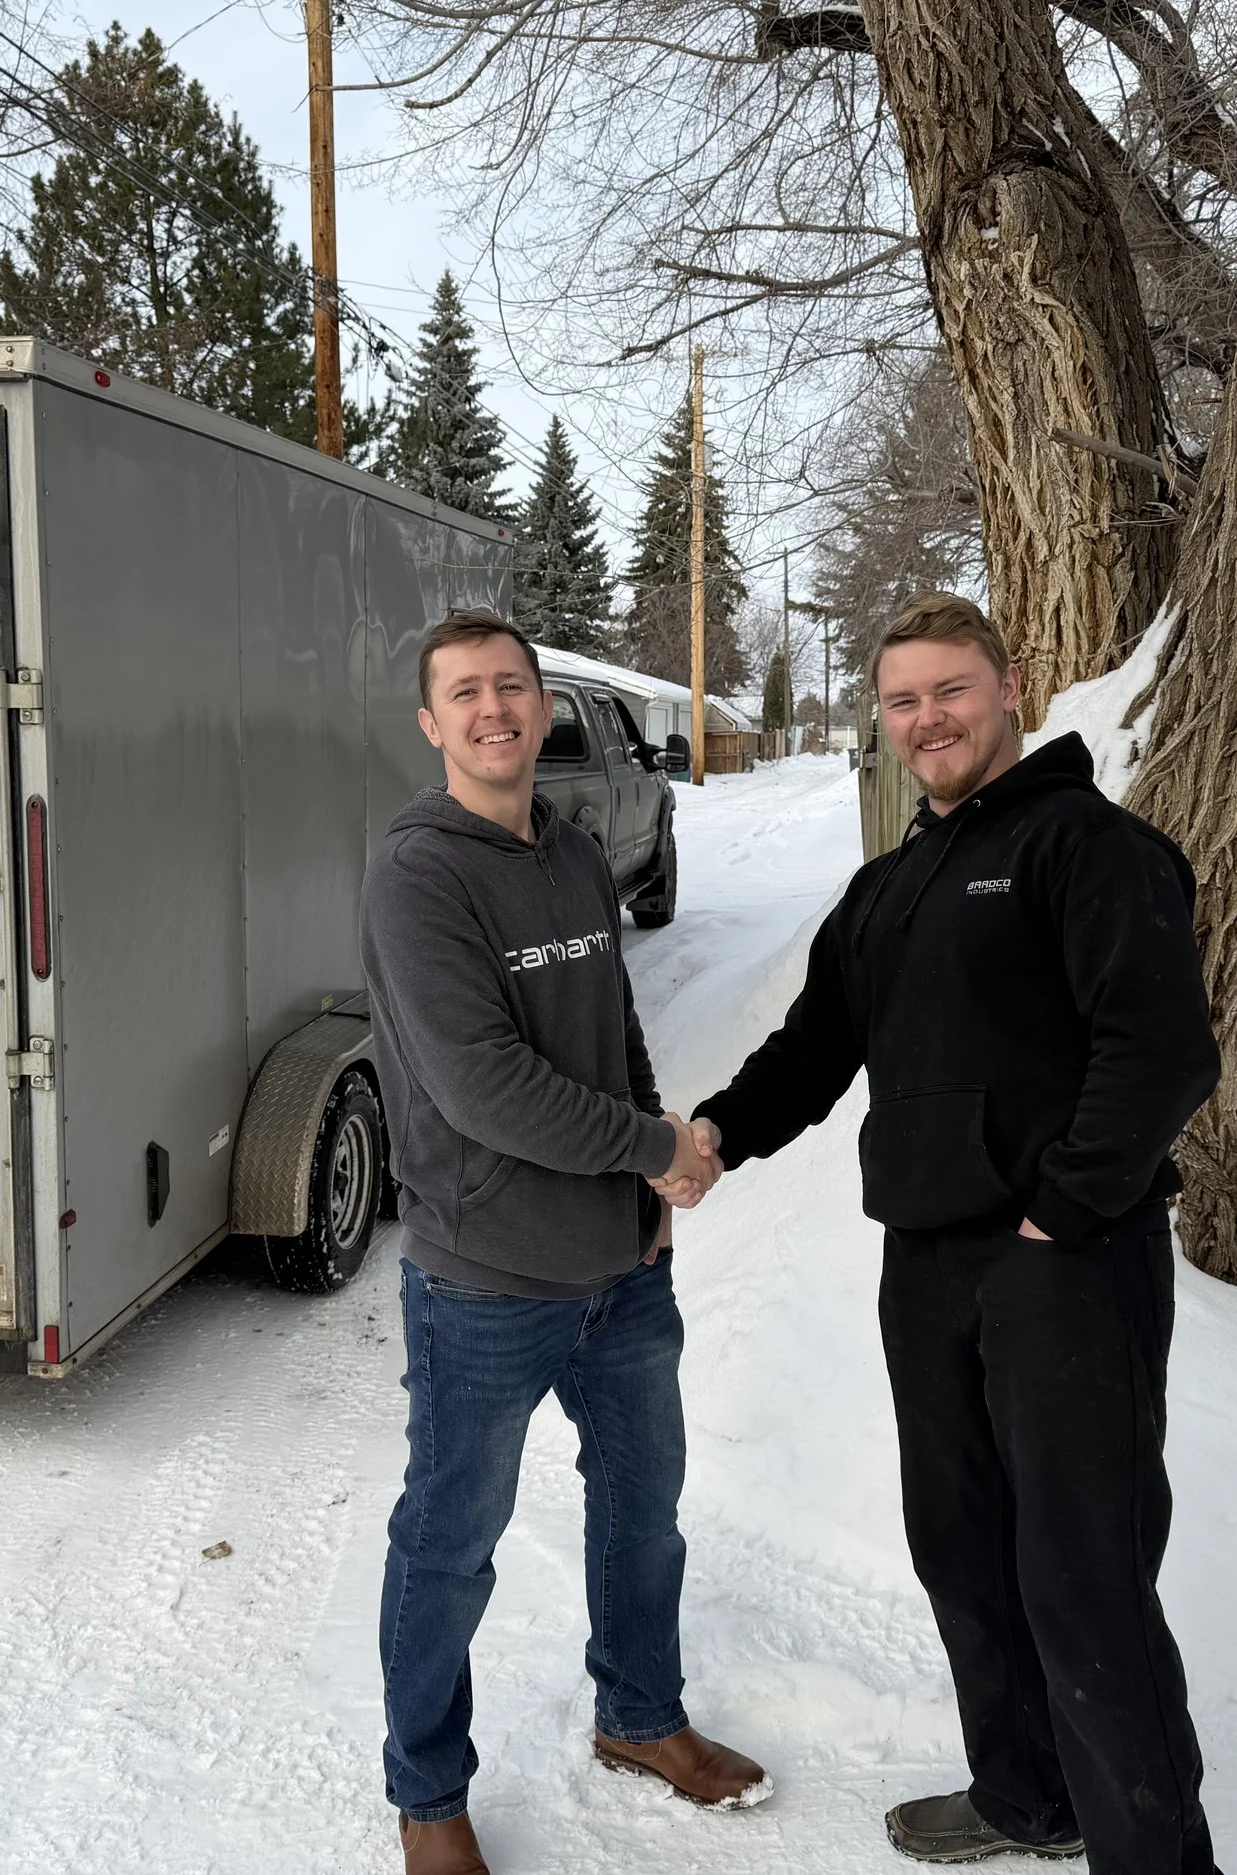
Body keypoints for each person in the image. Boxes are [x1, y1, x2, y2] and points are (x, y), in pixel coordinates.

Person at [685, 593, 1224, 1872]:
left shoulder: (1089, 849)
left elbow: (1161, 1053)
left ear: (1009, 688)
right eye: (904, 700)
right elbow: (816, 1048)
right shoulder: (889, 886)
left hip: (1066, 1266)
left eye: (951, 690)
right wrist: (712, 1135)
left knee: (1083, 1576)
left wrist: (1064, 1210)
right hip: (926, 1262)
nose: (928, 718)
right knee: (964, 1549)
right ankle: (1028, 1796)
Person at [362, 609, 768, 1875]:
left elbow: (614, 1031)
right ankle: (429, 1796)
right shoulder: (417, 875)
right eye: (466, 692)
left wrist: (650, 1179)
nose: (495, 709)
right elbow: (482, 1085)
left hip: (620, 1274)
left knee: (644, 1514)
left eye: (513, 687)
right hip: (485, 1281)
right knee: (450, 1543)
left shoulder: (575, 852)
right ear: (432, 724)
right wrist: (654, 1150)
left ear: (543, 708)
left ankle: (639, 1718)